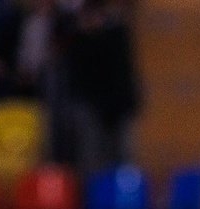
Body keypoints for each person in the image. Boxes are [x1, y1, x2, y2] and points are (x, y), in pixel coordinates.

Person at [58, 0, 140, 178]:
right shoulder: (79, 39)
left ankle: (121, 195)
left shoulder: (116, 34)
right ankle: (92, 195)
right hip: (90, 105)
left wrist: (120, 104)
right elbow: (77, 77)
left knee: (121, 156)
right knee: (91, 156)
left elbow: (123, 74)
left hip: (118, 105)